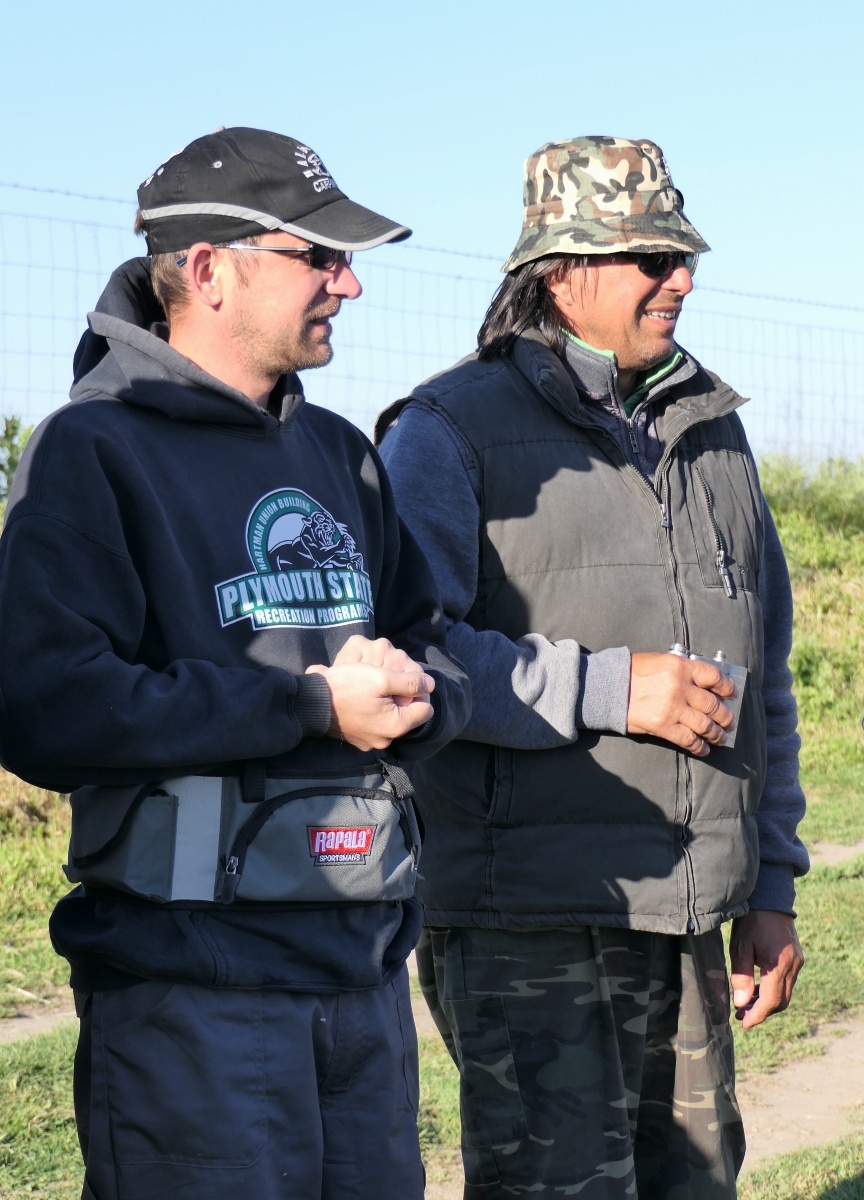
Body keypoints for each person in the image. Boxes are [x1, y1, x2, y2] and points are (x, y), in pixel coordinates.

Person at [0, 127, 470, 1200]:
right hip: (192, 998)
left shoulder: (342, 453)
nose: (348, 282)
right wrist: (308, 707)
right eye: (319, 256)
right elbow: (45, 708)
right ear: (210, 269)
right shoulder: (93, 450)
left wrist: (421, 696)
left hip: (363, 982)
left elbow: (428, 642)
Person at [377, 135, 808, 1199]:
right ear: (561, 272)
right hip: (527, 921)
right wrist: (615, 688)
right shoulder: (445, 431)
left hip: (689, 913)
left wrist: (770, 885)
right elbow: (407, 655)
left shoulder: (713, 432)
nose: (682, 279)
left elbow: (768, 675)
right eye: (652, 259)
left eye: (683, 256)